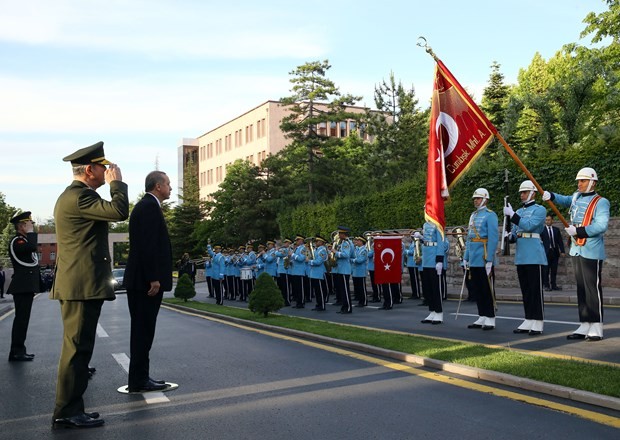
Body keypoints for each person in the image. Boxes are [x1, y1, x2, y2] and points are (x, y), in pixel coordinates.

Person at [51, 141, 129, 429]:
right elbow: (119, 211)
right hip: (80, 286)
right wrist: (117, 185)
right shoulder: (79, 197)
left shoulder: (77, 197)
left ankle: (72, 407)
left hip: (81, 285)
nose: (106, 170)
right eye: (102, 167)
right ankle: (66, 410)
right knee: (75, 350)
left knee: (80, 349)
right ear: (89, 169)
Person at [543, 167, 610, 341]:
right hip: (576, 249)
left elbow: (601, 226)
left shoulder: (601, 202)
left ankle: (596, 325)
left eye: (583, 181)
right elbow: (565, 200)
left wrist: (578, 231)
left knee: (592, 288)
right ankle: (585, 323)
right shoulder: (576, 197)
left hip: (591, 250)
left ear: (592, 182)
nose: (579, 184)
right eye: (578, 181)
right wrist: (551, 195)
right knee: (581, 288)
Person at [123, 171, 172, 393]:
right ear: (158, 186)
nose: (170, 188)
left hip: (141, 281)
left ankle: (140, 378)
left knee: (143, 331)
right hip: (145, 283)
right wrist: (154, 278)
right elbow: (148, 246)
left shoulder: (146, 206)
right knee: (143, 332)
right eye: (168, 184)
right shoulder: (149, 207)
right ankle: (139, 381)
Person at [504, 180, 547, 335]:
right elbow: (516, 233)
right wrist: (509, 237)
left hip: (534, 254)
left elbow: (529, 226)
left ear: (533, 193)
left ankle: (538, 320)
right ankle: (529, 318)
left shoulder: (540, 210)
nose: (522, 195)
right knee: (526, 290)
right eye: (521, 192)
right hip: (522, 255)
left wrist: (513, 215)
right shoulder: (519, 212)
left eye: (525, 192)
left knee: (536, 290)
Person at [463, 188, 499, 331]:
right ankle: (482, 315)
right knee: (477, 288)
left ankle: (490, 317)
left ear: (485, 199)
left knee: (486, 288)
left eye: (478, 198)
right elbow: (468, 238)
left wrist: (489, 259)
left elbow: (493, 237)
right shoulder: (473, 215)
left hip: (484, 256)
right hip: (473, 257)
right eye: (475, 198)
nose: (475, 200)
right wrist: (466, 257)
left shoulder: (490, 215)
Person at [6, 211, 40, 362]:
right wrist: (31, 233)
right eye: (29, 223)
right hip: (21, 287)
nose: (32, 225)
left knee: (23, 320)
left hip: (26, 287)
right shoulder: (17, 241)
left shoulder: (24, 241)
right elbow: (32, 247)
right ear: (21, 226)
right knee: (21, 320)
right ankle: (16, 351)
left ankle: (20, 349)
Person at [417, 222, 448, 325]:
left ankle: (439, 313)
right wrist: (421, 238)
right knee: (428, 287)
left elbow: (441, 242)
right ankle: (432, 311)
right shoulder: (425, 224)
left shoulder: (438, 224)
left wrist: (439, 259)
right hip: (426, 258)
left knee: (436, 287)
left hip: (434, 258)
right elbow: (427, 241)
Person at [541, 214, 565, 291]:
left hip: (554, 252)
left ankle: (554, 285)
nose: (547, 221)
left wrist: (562, 251)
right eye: (546, 220)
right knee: (546, 270)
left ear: (552, 220)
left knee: (554, 270)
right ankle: (546, 285)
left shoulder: (556, 230)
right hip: (546, 253)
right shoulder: (542, 230)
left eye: (549, 220)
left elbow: (560, 241)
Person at [332, 226, 354, 314]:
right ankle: (344, 307)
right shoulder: (343, 243)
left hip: (344, 269)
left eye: (340, 233)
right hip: (341, 269)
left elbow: (346, 255)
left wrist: (335, 253)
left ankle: (348, 308)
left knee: (345, 290)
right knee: (342, 290)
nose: (338, 235)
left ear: (343, 234)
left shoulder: (346, 243)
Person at [307, 236, 328, 311]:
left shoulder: (322, 250)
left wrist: (309, 261)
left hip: (319, 273)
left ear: (321, 242)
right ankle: (318, 304)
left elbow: (319, 262)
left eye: (317, 241)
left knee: (320, 290)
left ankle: (321, 305)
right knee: (317, 291)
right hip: (314, 273)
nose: (315, 243)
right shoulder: (316, 250)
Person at [351, 236, 368, 307]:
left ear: (361, 242)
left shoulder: (363, 250)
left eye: (358, 241)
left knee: (362, 288)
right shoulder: (357, 249)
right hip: (356, 271)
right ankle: (360, 300)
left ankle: (363, 301)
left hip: (361, 271)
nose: (356, 242)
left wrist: (352, 260)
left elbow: (360, 260)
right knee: (358, 287)